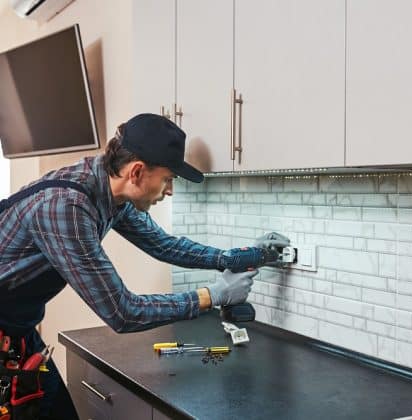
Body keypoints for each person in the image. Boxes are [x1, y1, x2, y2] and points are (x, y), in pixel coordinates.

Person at [0, 113, 289, 420]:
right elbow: (123, 312)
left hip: (18, 330)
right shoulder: (66, 207)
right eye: (167, 179)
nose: (170, 191)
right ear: (137, 172)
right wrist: (214, 296)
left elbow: (163, 245)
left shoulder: (109, 189)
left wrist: (229, 258)